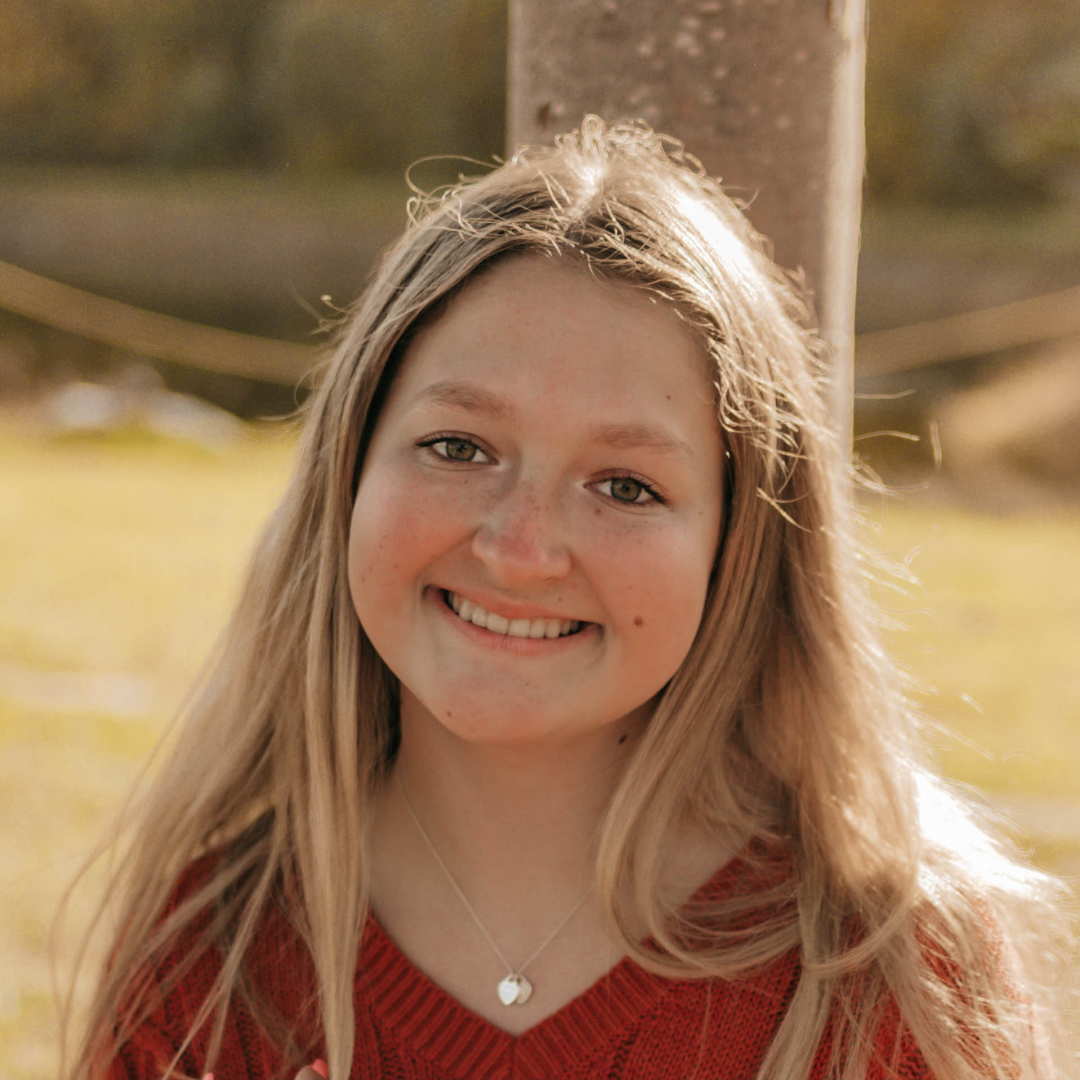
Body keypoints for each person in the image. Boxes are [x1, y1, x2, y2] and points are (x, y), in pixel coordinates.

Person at [64, 118, 1072, 1080]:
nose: (521, 547)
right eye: (459, 447)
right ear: (348, 475)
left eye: (626, 485)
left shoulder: (892, 972)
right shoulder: (208, 961)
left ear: (739, 548)